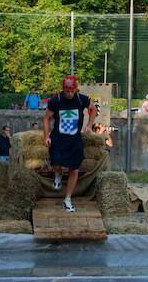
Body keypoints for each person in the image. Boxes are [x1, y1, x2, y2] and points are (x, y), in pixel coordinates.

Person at [43, 75, 97, 212]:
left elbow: (93, 109)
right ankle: (58, 173)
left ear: (75, 89)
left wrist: (89, 126)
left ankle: (67, 199)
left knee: (75, 169)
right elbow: (46, 119)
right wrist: (46, 136)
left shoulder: (81, 99)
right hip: (58, 138)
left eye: (71, 90)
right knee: (55, 163)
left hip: (74, 139)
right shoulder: (56, 100)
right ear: (63, 89)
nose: (69, 93)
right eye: (67, 90)